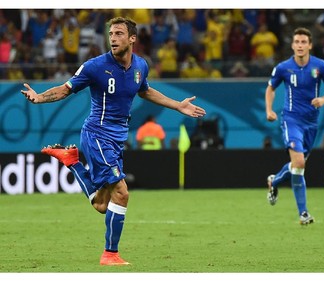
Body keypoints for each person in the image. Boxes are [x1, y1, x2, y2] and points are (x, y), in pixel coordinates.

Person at [20, 17, 206, 266]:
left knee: (102, 204)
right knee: (122, 192)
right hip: (97, 134)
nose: (113, 38)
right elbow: (65, 89)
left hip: (118, 139)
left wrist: (177, 105)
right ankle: (110, 254)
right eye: (110, 34)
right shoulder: (94, 66)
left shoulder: (141, 65)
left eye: (119, 33)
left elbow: (145, 90)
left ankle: (72, 161)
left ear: (132, 38)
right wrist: (39, 98)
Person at [264, 27, 324, 225]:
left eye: (303, 42)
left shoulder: (320, 66)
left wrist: (323, 99)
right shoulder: (283, 67)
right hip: (291, 120)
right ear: (292, 45)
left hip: (311, 123)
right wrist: (269, 110)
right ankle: (303, 213)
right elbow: (270, 88)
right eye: (297, 42)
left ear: (310, 45)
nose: (300, 45)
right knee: (299, 164)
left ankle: (275, 180)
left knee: (298, 167)